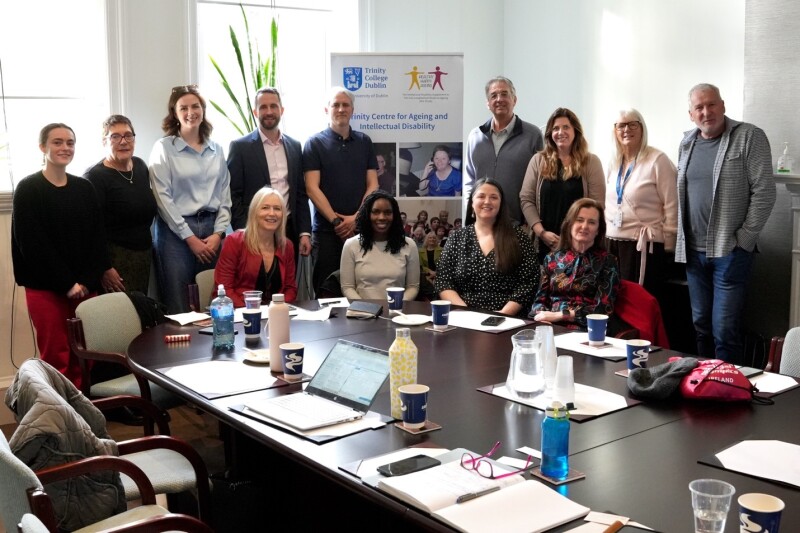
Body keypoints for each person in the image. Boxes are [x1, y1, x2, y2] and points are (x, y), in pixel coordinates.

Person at [676, 83, 776, 361]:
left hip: (729, 253)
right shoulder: (686, 143)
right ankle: (704, 388)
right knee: (701, 327)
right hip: (694, 255)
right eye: (699, 107)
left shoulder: (749, 137)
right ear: (691, 114)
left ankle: (728, 393)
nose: (706, 112)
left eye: (711, 104)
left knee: (725, 331)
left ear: (723, 105)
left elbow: (765, 192)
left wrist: (744, 239)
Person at [12, 123, 109, 388]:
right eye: (57, 142)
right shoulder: (28, 189)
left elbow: (97, 240)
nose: (65, 148)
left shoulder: (84, 188)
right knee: (58, 358)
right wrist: (66, 283)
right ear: (42, 147)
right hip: (47, 290)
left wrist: (86, 282)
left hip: (85, 287)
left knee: (89, 355)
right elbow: (31, 245)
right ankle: (62, 420)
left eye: (70, 142)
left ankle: (86, 414)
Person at [149, 84, 232, 314]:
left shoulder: (216, 149)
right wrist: (189, 237)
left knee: (215, 300)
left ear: (203, 110)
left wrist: (218, 233)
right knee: (178, 305)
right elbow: (162, 198)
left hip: (212, 229)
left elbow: (225, 193)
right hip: (175, 234)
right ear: (174, 113)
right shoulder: (163, 148)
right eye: (183, 107)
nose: (190, 112)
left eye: (195, 106)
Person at [304, 86, 378, 293]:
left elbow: (373, 184)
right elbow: (311, 188)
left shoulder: (364, 142)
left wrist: (357, 218)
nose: (341, 109)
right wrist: (337, 222)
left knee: (363, 289)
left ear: (352, 110)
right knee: (326, 291)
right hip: (327, 233)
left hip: (360, 230)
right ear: (326, 110)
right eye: (335, 104)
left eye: (345, 105)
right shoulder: (314, 143)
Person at [227, 87, 311, 259]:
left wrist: (304, 232)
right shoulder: (240, 147)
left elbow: (300, 194)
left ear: (281, 110)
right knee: (255, 284)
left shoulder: (294, 147)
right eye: (263, 107)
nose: (269, 111)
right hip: (254, 231)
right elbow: (233, 194)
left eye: (273, 106)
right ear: (255, 112)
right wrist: (244, 231)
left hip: (288, 231)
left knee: (286, 283)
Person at [435, 178, 538, 315]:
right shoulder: (456, 238)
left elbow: (529, 282)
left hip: (507, 319)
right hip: (464, 317)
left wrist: (501, 315)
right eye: (481, 196)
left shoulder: (518, 237)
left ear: (501, 204)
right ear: (472, 202)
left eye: (494, 197)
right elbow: (443, 281)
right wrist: (468, 314)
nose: (487, 201)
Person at [604, 109, 677, 299]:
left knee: (639, 303)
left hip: (644, 245)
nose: (626, 129)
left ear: (642, 128)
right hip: (613, 244)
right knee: (614, 301)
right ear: (615, 130)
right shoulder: (614, 163)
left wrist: (669, 243)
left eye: (632, 124)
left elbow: (672, 204)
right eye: (621, 125)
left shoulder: (657, 160)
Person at [520, 107, 605, 263]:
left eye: (566, 127)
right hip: (544, 244)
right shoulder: (538, 161)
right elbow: (526, 199)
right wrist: (541, 233)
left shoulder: (591, 162)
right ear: (550, 134)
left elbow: (597, 205)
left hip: (580, 244)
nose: (560, 132)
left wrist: (575, 237)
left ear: (575, 131)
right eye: (556, 128)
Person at [84, 115, 157, 295]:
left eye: (128, 135)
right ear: (104, 142)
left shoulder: (140, 166)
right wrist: (105, 268)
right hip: (115, 260)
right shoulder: (94, 177)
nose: (123, 141)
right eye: (115, 137)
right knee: (122, 316)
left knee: (143, 311)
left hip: (144, 254)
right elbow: (92, 229)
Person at [531, 198, 622, 331]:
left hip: (587, 329)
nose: (584, 226)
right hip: (549, 325)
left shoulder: (608, 261)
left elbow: (603, 310)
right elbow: (539, 301)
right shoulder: (551, 258)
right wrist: (543, 320)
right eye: (579, 220)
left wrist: (561, 315)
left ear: (598, 230)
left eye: (591, 222)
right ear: (570, 224)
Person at [465, 76, 544, 224]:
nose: (499, 99)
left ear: (514, 100)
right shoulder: (475, 136)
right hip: (481, 224)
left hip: (517, 224)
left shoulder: (533, 135)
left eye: (504, 94)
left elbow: (540, 184)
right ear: (488, 103)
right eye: (493, 95)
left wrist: (532, 221)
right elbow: (469, 180)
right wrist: (471, 210)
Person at [215, 187, 297, 307]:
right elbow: (224, 289)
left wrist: (276, 309)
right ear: (254, 212)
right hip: (240, 314)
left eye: (277, 209)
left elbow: (291, 289)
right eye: (265, 208)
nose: (272, 213)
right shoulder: (234, 242)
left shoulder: (287, 246)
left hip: (275, 314)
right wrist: (253, 311)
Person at [339, 190, 419, 301]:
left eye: (387, 212)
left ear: (394, 215)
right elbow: (347, 288)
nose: (381, 217)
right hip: (363, 313)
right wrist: (365, 308)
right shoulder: (351, 245)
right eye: (375, 212)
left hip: (397, 313)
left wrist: (396, 306)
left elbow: (413, 287)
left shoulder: (409, 245)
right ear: (367, 214)